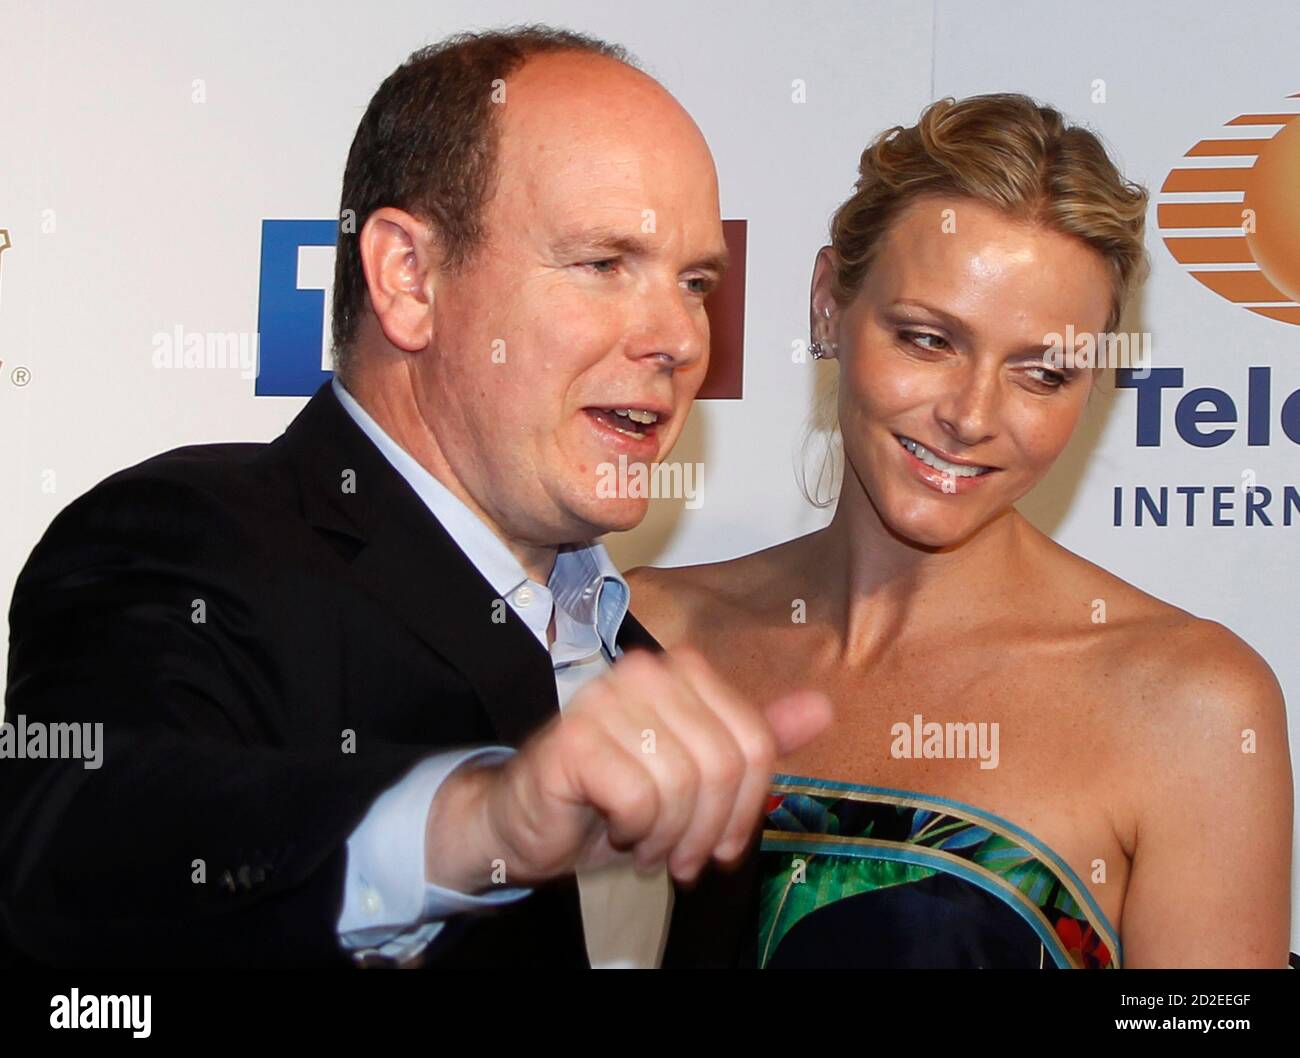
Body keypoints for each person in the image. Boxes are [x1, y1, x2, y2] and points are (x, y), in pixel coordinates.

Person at [0, 26, 830, 969]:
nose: (680, 337)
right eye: (605, 264)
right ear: (409, 278)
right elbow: (75, 842)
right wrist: (478, 822)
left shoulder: (651, 679)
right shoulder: (185, 544)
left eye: (696, 282)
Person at [627, 93, 1293, 969]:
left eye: (1042, 372)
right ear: (828, 304)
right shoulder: (638, 632)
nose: (972, 416)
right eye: (929, 340)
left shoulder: (1188, 705)